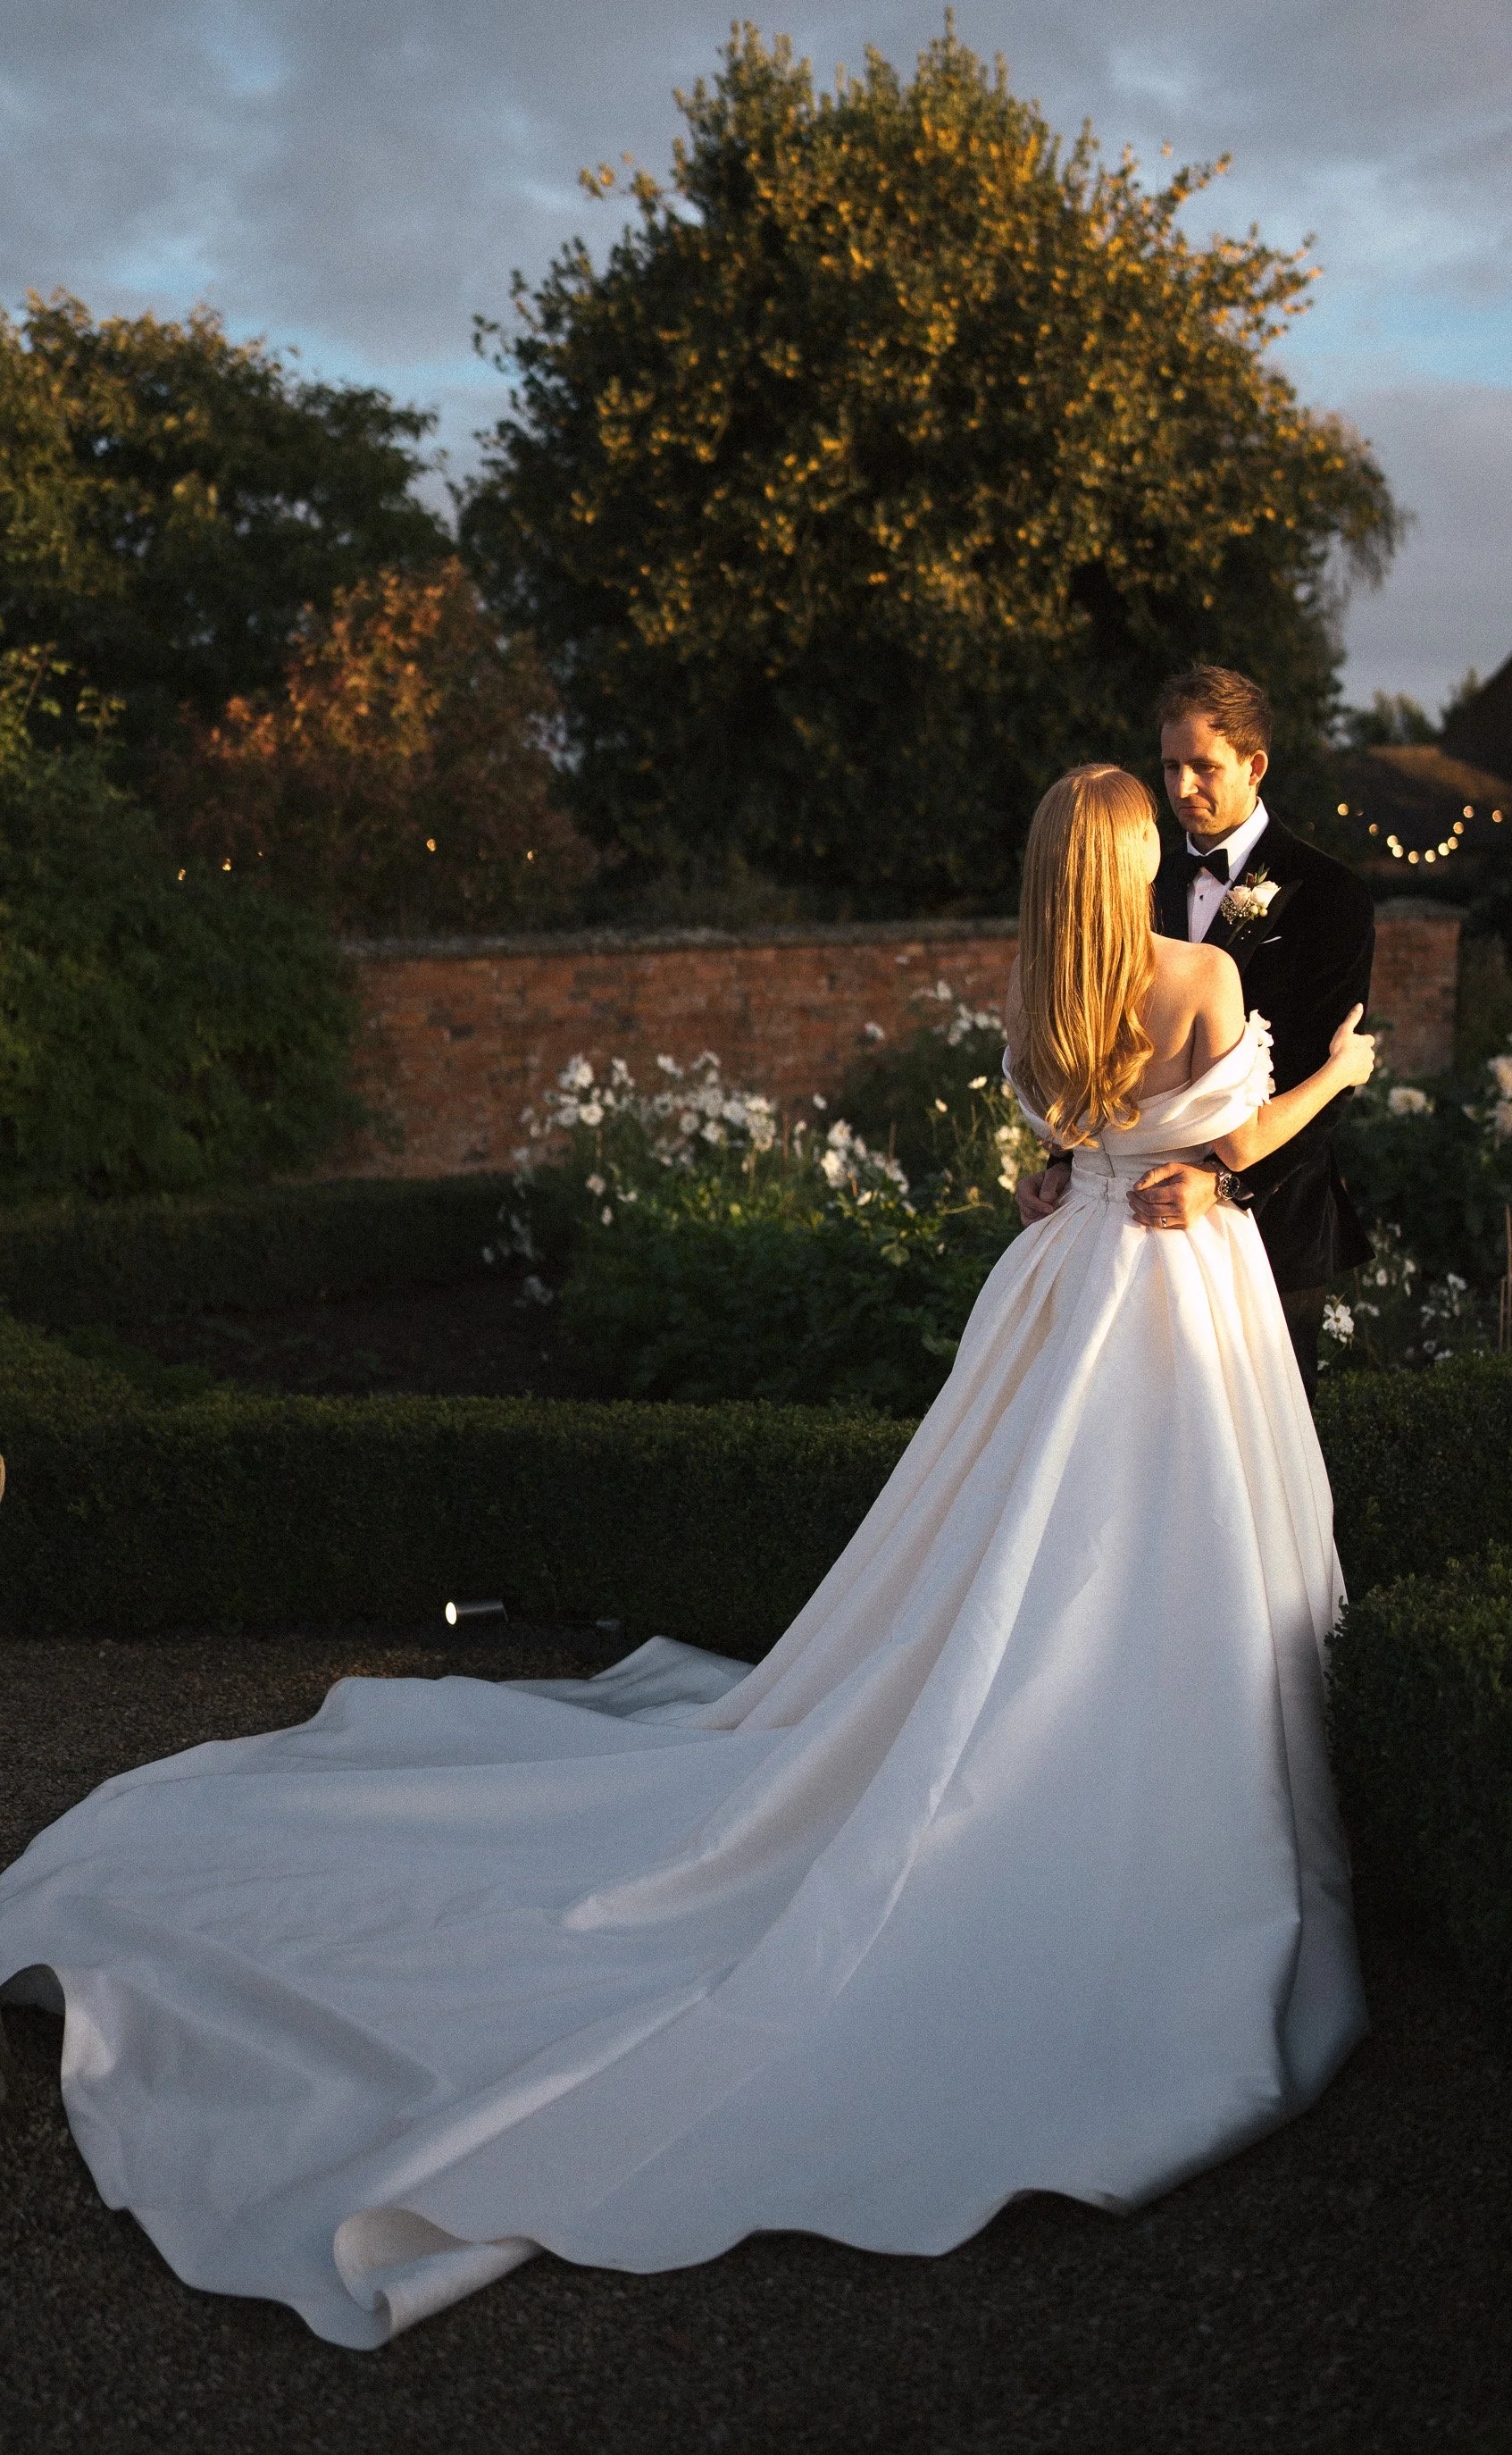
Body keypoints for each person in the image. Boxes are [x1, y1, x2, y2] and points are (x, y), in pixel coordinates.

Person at [0, 767, 1375, 2352]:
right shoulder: (1200, 978)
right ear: (1131, 860)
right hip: (1174, 1288)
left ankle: (1039, 1708)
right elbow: (1238, 1133)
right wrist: (1335, 1076)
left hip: (1064, 1278)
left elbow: (1072, 1136)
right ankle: (1148, 1755)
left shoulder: (1035, 991)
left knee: (1016, 1535)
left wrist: (1076, 1166)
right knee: (1145, 1533)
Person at [1018, 665, 1376, 1399]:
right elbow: (1093, 1035)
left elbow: (1319, 1080)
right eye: (1169, 767)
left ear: (1254, 765)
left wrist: (1225, 1183)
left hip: (1274, 1223)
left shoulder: (1330, 894)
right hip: (1120, 1232)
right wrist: (1062, 1161)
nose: (1182, 787)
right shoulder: (1128, 877)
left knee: (1259, 1437)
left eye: (1203, 766)